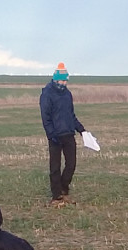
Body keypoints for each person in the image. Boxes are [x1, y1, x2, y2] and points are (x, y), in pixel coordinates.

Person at [40, 62, 87, 208]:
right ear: (56, 79)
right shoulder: (47, 94)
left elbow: (71, 115)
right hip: (55, 136)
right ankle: (56, 196)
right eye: (63, 80)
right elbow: (45, 117)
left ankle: (64, 190)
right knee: (55, 167)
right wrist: (51, 134)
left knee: (71, 164)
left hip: (68, 134)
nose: (65, 82)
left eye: (66, 80)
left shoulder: (67, 94)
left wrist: (81, 129)